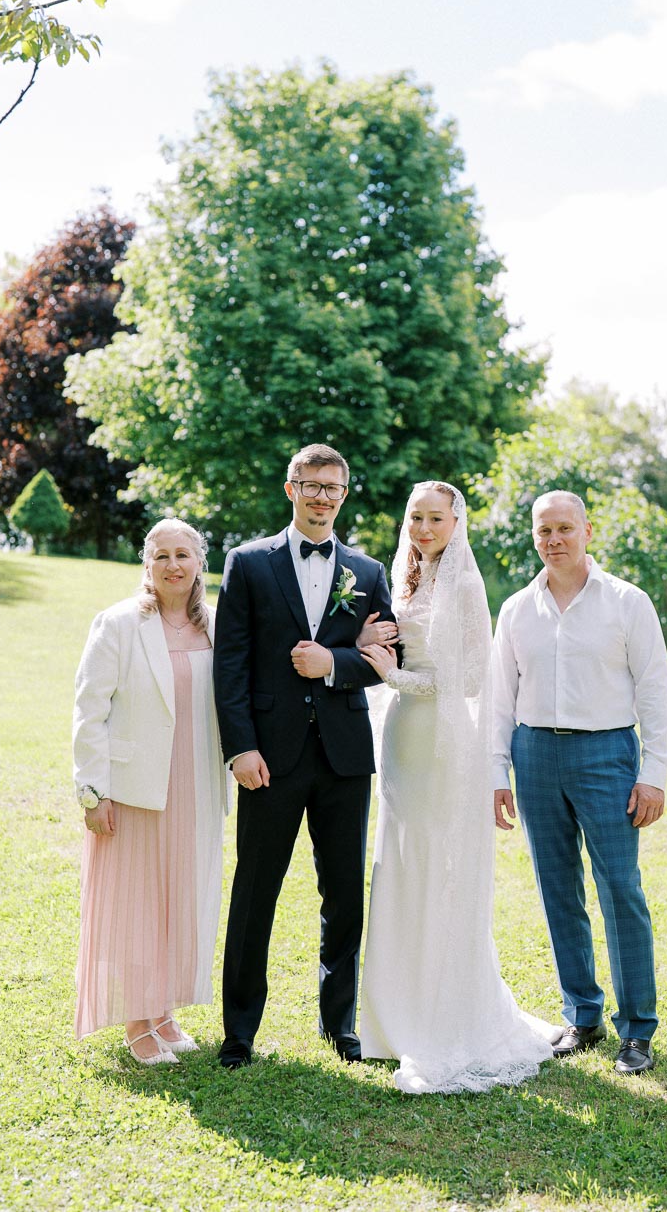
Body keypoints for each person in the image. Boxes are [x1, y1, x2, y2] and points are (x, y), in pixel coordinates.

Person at [357, 481, 560, 1094]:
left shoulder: (467, 585)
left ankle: (446, 1016)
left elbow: (471, 678)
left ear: (455, 522)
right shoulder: (405, 578)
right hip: (401, 741)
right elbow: (392, 646)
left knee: (438, 866)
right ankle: (395, 1017)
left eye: (434, 519)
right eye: (415, 517)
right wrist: (372, 649)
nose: (422, 529)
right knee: (400, 862)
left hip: (444, 743)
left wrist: (398, 678)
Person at [213, 444, 396, 1069]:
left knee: (344, 894)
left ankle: (339, 1023)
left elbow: (384, 662)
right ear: (290, 488)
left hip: (344, 758)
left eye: (333, 487)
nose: (322, 496)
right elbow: (229, 665)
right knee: (255, 890)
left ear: (344, 495)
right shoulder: (248, 563)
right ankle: (239, 1031)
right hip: (270, 757)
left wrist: (335, 664)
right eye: (311, 484)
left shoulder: (368, 573)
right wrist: (239, 746)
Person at [491, 490, 667, 1075]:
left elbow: (655, 692)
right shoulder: (517, 609)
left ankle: (637, 1029)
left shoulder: (628, 602)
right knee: (557, 888)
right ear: (534, 537)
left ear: (587, 531)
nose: (555, 540)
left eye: (565, 528)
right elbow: (501, 699)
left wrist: (654, 774)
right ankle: (582, 1014)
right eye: (544, 531)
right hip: (535, 752)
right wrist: (499, 772)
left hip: (607, 754)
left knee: (621, 888)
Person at [73, 518, 228, 1064]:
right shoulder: (118, 624)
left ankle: (162, 1010)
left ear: (199, 562)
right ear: (147, 564)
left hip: (198, 781)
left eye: (183, 554)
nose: (173, 566)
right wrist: (94, 793)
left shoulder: (215, 624)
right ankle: (137, 1022)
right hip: (136, 788)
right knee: (138, 902)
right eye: (161, 555)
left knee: (180, 898)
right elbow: (90, 710)